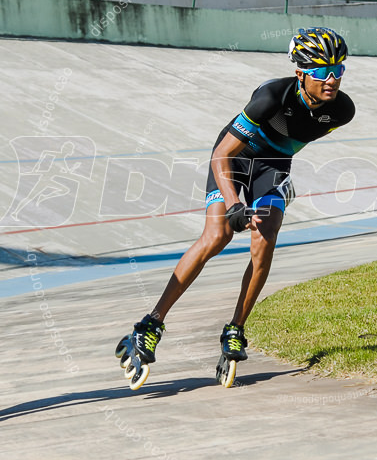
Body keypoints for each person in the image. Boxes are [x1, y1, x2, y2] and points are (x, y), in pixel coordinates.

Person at [117, 27, 355, 381]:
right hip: (233, 158)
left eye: (338, 71)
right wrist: (233, 205)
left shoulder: (343, 110)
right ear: (301, 73)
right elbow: (221, 155)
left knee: (266, 235)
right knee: (218, 236)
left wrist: (274, 191)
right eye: (322, 72)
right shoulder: (272, 97)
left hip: (272, 166)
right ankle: (150, 324)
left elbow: (288, 144)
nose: (331, 79)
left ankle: (235, 328)